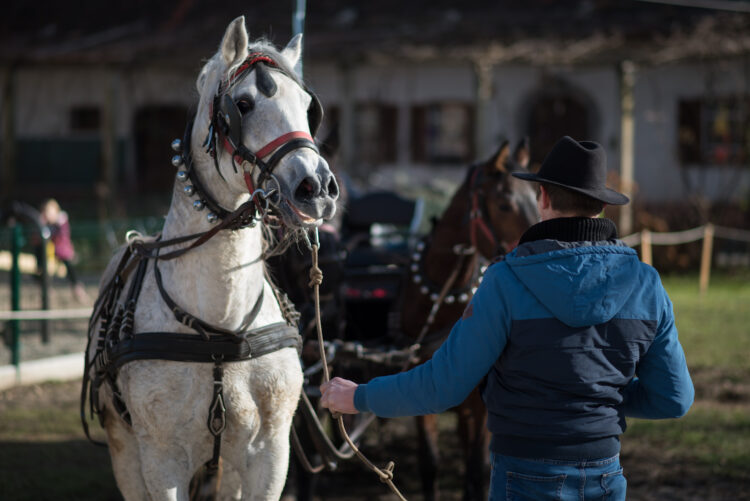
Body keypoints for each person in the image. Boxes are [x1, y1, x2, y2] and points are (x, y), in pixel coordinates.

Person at [320, 136, 694, 501]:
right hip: (606, 477)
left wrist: (360, 396)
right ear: (600, 207)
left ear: (542, 198)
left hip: (524, 475)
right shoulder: (646, 282)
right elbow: (675, 399)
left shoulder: (505, 280)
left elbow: (443, 386)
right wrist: (598, 398)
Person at [40, 198, 88, 302]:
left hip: (62, 251)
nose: (49, 215)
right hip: (51, 253)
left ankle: (76, 288)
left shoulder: (61, 222)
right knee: (44, 268)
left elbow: (60, 237)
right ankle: (47, 289)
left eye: (51, 212)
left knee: (68, 267)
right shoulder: (47, 224)